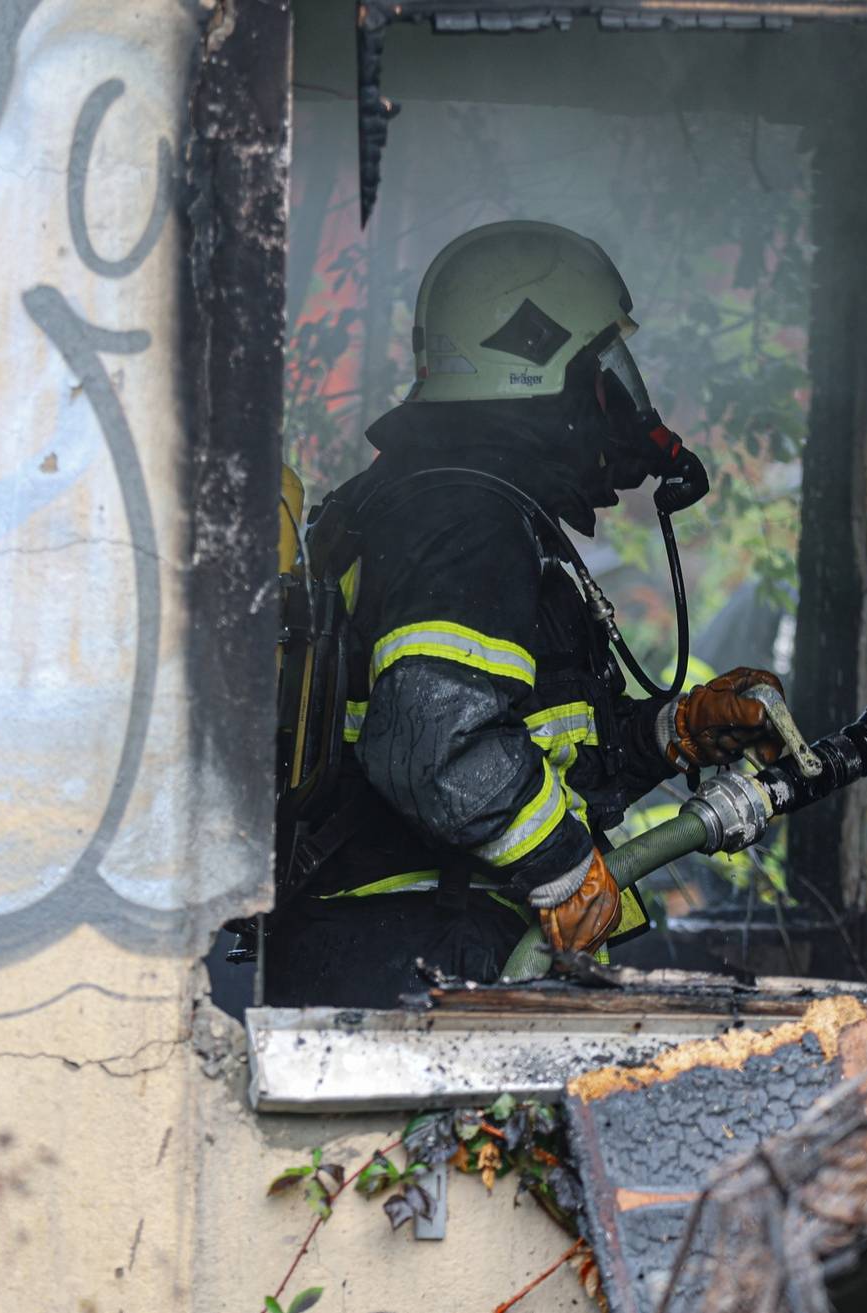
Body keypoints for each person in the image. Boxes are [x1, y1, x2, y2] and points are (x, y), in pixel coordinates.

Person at [260, 220, 787, 1008]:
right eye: (601, 370)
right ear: (538, 358)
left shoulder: (439, 503)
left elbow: (523, 736)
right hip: (415, 951)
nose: (618, 400)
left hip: (392, 944)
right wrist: (563, 867)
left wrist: (670, 731)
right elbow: (436, 739)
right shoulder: (462, 515)